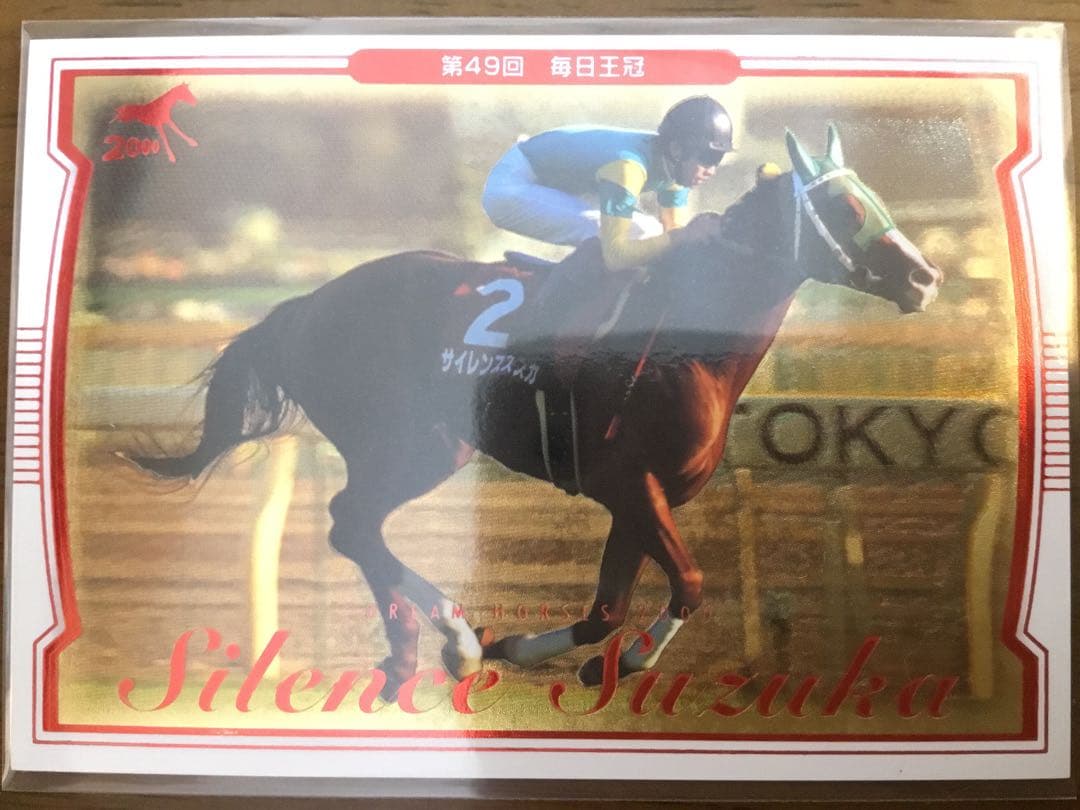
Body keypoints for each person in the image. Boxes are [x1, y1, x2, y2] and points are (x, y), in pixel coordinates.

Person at [481, 95, 733, 273]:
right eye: (708, 158)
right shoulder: (627, 168)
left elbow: (673, 231)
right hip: (511, 188)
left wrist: (688, 239)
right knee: (643, 233)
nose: (712, 170)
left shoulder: (675, 165)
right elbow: (616, 256)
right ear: (677, 149)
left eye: (718, 159)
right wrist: (683, 236)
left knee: (654, 234)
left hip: (549, 179)